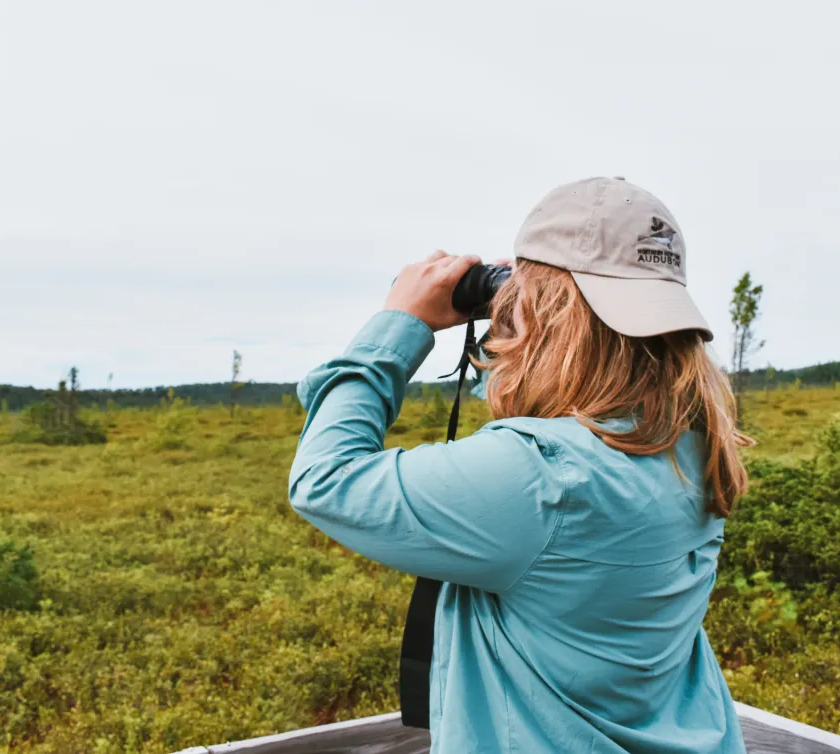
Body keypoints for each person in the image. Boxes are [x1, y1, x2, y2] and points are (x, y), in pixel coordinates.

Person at [289, 177, 750, 753]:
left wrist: (398, 324)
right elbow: (561, 403)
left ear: (546, 312)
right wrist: (523, 309)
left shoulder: (543, 475)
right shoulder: (693, 445)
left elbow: (323, 478)